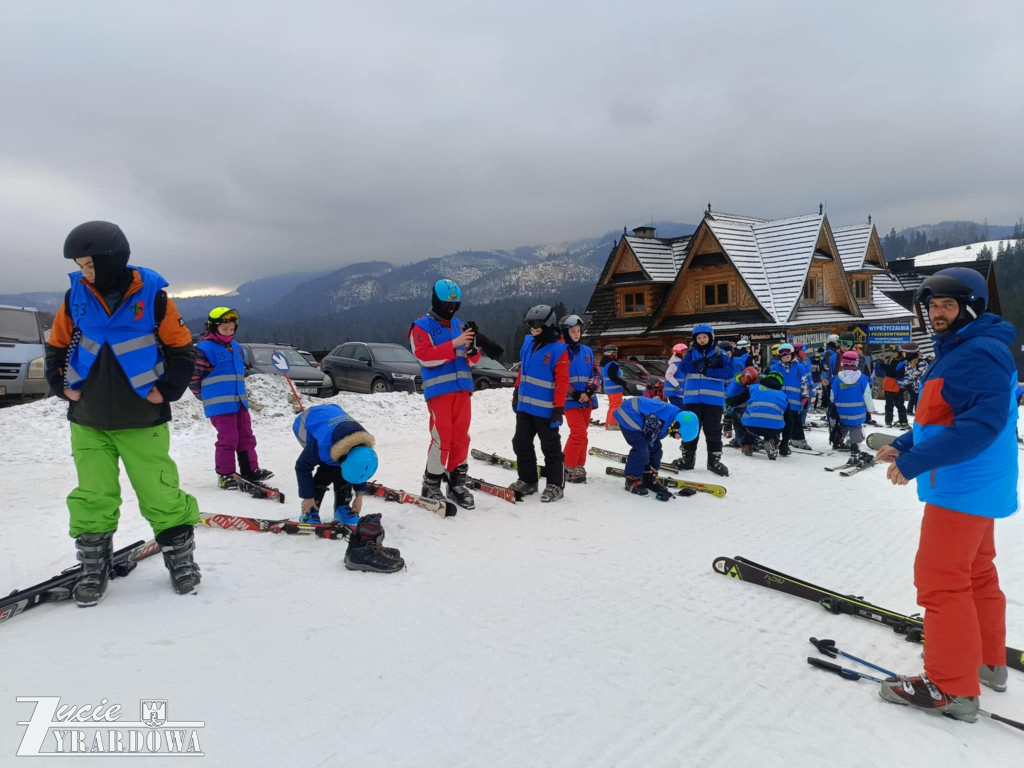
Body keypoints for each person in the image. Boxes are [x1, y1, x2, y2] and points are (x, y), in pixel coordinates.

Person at [875, 267, 1018, 722]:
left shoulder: (975, 353)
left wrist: (914, 463)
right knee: (975, 575)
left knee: (940, 581)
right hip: (975, 485)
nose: (937, 314)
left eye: (947, 306)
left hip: (961, 486)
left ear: (970, 307)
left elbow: (979, 426)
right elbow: (947, 417)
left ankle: (951, 688)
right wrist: (906, 442)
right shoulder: (965, 347)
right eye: (932, 306)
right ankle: (986, 663)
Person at [44, 221, 201, 602]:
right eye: (81, 266)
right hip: (89, 419)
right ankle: (94, 565)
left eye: (90, 265)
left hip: (142, 420)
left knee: (160, 493)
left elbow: (182, 350)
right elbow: (57, 345)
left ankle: (180, 559)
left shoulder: (154, 297)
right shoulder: (75, 296)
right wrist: (58, 383)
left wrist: (166, 391)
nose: (85, 272)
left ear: (112, 260)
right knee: (92, 495)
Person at [292, 403, 403, 573]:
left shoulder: (363, 448)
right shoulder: (321, 447)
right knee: (328, 467)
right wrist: (307, 497)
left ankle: (342, 507)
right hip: (306, 424)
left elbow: (359, 470)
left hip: (338, 427)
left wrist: (359, 495)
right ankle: (309, 511)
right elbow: (302, 467)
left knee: (341, 468)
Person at [409, 279, 480, 509]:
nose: (451, 310)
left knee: (461, 437)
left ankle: (456, 482)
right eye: (447, 305)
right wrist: (454, 343)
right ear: (436, 302)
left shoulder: (459, 324)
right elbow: (424, 357)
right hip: (439, 390)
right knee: (442, 437)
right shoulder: (421, 326)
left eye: (455, 305)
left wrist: (472, 349)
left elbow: (472, 359)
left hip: (462, 389)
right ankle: (431, 484)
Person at [188, 307, 274, 489]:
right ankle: (225, 474)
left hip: (239, 402)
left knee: (246, 436)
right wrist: (203, 397)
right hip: (219, 404)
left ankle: (250, 469)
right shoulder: (203, 349)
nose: (229, 332)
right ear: (213, 328)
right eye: (224, 329)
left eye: (231, 329)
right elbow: (194, 377)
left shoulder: (237, 348)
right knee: (228, 438)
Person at [511, 305, 570, 502]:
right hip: (525, 408)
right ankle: (528, 480)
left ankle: (555, 485)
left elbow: (562, 383)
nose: (533, 331)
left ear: (548, 325)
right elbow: (523, 370)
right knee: (521, 443)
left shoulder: (559, 349)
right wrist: (517, 392)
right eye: (530, 327)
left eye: (537, 327)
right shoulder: (529, 343)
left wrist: (558, 410)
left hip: (546, 410)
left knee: (550, 448)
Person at [614, 398, 699, 499]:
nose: (677, 438)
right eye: (679, 435)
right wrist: (654, 465)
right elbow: (649, 440)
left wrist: (654, 466)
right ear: (677, 426)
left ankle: (647, 476)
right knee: (642, 448)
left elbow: (655, 443)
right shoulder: (660, 420)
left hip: (637, 415)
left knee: (652, 446)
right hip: (628, 414)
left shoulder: (673, 417)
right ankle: (631, 479)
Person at [675, 323, 731, 476]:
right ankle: (687, 459)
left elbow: (728, 372)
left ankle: (714, 461)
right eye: (698, 337)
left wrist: (708, 369)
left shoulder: (720, 353)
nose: (701, 340)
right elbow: (683, 368)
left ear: (711, 337)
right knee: (689, 429)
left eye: (704, 337)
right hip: (692, 399)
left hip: (713, 400)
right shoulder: (690, 353)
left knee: (713, 430)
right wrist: (697, 365)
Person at [560, 314, 600, 483]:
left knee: (583, 434)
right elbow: (558, 377)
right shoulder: (560, 351)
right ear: (565, 332)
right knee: (578, 433)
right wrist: (574, 393)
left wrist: (589, 391)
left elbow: (596, 373)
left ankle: (578, 465)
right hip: (570, 401)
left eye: (578, 331)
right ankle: (567, 466)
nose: (576, 334)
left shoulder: (587, 351)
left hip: (587, 400)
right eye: (573, 331)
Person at [727, 369, 787, 460]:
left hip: (752, 425)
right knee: (776, 419)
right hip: (774, 428)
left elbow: (734, 402)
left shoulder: (753, 388)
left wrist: (726, 401)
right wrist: (784, 444)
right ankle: (772, 440)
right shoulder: (782, 395)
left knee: (739, 415)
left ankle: (746, 444)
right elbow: (789, 420)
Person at [831, 351, 874, 465]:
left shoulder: (836, 379)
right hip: (857, 413)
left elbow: (832, 396)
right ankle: (854, 448)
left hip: (841, 412)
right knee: (855, 428)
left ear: (842, 363)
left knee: (843, 426)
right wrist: (870, 410)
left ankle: (838, 441)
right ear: (856, 363)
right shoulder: (863, 379)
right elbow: (867, 396)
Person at [770, 343, 810, 455]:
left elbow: (804, 383)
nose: (785, 359)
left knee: (793, 422)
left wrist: (805, 396)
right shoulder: (775, 368)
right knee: (777, 421)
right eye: (783, 357)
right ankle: (774, 440)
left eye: (787, 356)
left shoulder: (800, 367)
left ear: (792, 355)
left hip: (794, 402)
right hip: (779, 402)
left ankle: (796, 440)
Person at [723, 365, 761, 453]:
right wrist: (727, 416)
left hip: (750, 408)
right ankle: (741, 441)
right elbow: (728, 403)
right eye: (749, 385)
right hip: (736, 409)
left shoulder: (754, 382)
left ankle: (755, 438)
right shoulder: (733, 388)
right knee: (739, 422)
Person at [874, 346, 909, 428]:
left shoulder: (902, 362)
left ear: (899, 353)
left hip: (897, 387)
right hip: (889, 386)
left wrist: (886, 368)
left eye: (895, 352)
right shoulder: (892, 360)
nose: (893, 354)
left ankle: (903, 422)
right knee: (889, 405)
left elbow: (898, 373)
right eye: (892, 352)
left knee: (900, 405)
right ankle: (888, 421)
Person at [600, 345, 627, 429]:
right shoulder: (612, 364)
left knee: (612, 405)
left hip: (608, 388)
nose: (616, 354)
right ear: (611, 353)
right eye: (615, 353)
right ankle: (613, 424)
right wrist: (622, 382)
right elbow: (613, 376)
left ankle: (609, 423)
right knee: (616, 405)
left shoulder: (604, 363)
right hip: (615, 388)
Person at [901, 341, 928, 417]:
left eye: (904, 352)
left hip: (922, 391)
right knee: (918, 411)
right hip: (915, 390)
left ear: (910, 354)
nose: (903, 354)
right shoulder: (908, 363)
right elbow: (907, 375)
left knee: (921, 411)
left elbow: (923, 379)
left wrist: (917, 390)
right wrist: (904, 386)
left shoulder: (921, 363)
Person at [663, 343, 687, 408]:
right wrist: (676, 384)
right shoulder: (674, 364)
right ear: (679, 353)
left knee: (681, 409)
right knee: (679, 410)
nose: (685, 354)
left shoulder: (681, 363)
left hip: (679, 393)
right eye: (684, 352)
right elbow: (668, 375)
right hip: (674, 393)